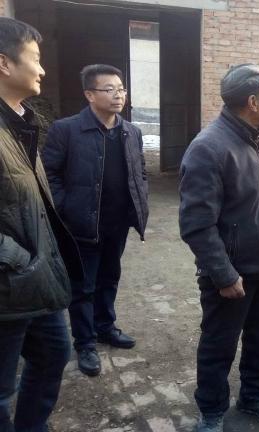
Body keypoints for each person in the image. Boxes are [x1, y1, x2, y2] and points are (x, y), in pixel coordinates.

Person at [179, 64, 259, 432]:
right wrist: (224, 275)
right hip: (233, 272)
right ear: (253, 102)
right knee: (219, 344)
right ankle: (211, 410)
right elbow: (196, 224)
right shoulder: (208, 148)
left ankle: (255, 395)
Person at [0, 17, 82, 431]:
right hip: (8, 285)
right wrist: (19, 260)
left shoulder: (19, 122)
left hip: (35, 283)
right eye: (35, 58)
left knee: (52, 355)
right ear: (4, 63)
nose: (43, 70)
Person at [42, 64, 149, 377]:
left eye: (121, 89)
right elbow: (49, 173)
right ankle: (85, 343)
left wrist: (139, 200)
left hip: (117, 223)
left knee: (109, 278)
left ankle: (106, 327)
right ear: (90, 95)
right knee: (83, 287)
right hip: (81, 226)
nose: (118, 95)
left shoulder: (131, 132)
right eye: (109, 89)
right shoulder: (67, 130)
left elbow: (140, 171)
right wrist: (66, 208)